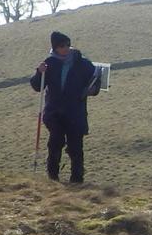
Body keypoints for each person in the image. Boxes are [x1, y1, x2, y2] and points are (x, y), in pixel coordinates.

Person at [28, 30, 99, 184]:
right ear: (55, 47)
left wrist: (92, 90)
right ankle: (52, 178)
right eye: (61, 46)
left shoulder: (82, 63)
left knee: (75, 147)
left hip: (75, 112)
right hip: (55, 113)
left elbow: (96, 81)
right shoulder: (49, 63)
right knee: (55, 143)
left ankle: (77, 179)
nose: (65, 48)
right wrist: (39, 73)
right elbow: (36, 86)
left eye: (67, 44)